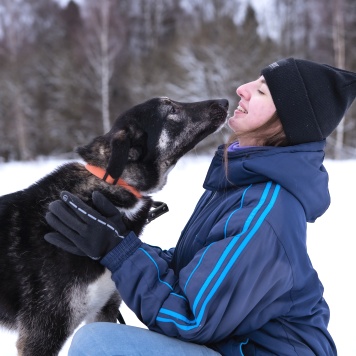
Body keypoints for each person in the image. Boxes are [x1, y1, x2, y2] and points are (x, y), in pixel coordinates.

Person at [45, 58, 356, 355]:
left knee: (98, 345)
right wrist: (116, 241)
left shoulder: (265, 211)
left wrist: (120, 251)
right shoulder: (242, 184)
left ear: (286, 122)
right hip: (230, 346)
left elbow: (192, 318)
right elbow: (190, 271)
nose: (242, 89)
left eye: (261, 90)